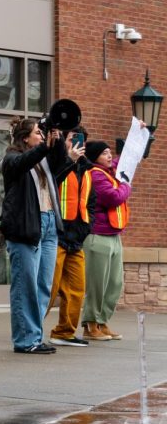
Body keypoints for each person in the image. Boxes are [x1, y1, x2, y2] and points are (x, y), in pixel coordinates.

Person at [0, 117, 68, 354]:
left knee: (43, 286)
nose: (41, 136)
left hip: (49, 224)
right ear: (25, 138)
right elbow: (25, 160)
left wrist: (57, 140)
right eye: (38, 132)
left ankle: (35, 336)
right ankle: (25, 340)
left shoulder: (44, 161)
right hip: (26, 226)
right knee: (25, 286)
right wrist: (44, 147)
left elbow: (60, 162)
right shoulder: (11, 159)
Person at [81, 141, 132, 341]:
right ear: (95, 157)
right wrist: (126, 186)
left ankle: (102, 322)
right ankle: (90, 324)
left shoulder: (111, 173)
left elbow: (125, 162)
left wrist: (141, 137)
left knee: (114, 283)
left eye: (110, 152)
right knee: (97, 284)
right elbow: (112, 197)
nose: (110, 155)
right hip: (97, 236)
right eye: (104, 153)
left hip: (113, 235)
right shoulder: (95, 174)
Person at [46, 126, 91, 347]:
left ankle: (64, 332)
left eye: (79, 140)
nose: (76, 143)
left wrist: (86, 227)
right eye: (72, 138)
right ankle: (30, 332)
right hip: (56, 233)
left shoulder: (87, 169)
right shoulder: (56, 160)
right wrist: (68, 160)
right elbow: (49, 184)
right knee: (49, 286)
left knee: (77, 289)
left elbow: (88, 202)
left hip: (77, 237)